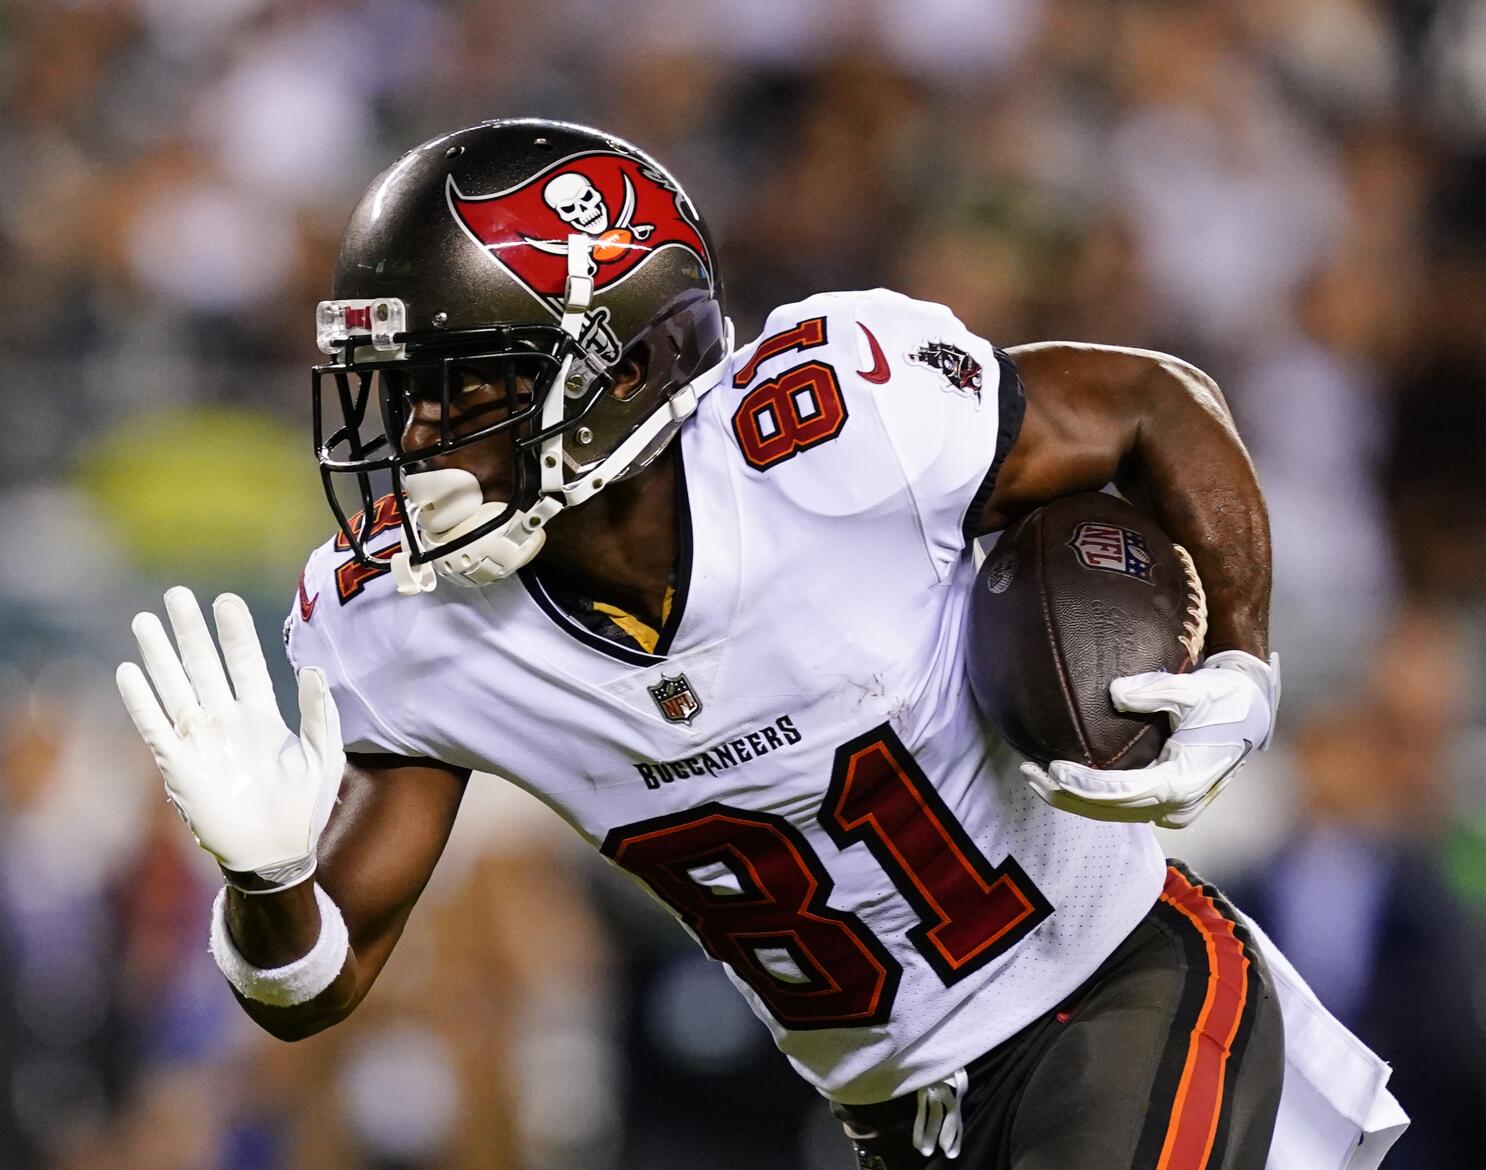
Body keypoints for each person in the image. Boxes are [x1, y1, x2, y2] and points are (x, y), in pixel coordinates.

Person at [115, 119, 1400, 1169]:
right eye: (408, 393)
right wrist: (267, 879)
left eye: (471, 386)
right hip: (895, 1118)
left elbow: (1147, 404)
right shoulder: (414, 627)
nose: (422, 437)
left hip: (1116, 987)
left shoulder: (834, 428)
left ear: (620, 366)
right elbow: (313, 986)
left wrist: (1239, 654)